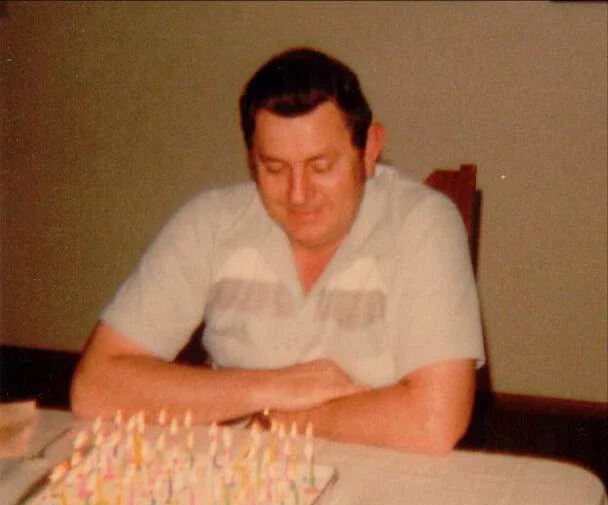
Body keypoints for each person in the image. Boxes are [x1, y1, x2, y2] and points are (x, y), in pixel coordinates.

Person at [71, 47, 484, 454]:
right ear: (252, 159)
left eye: (321, 166)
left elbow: (435, 421)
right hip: (238, 474)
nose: (298, 194)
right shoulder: (209, 223)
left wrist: (278, 420)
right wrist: (272, 387)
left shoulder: (422, 222)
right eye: (274, 168)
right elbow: (94, 387)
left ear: (370, 148)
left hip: (383, 476)